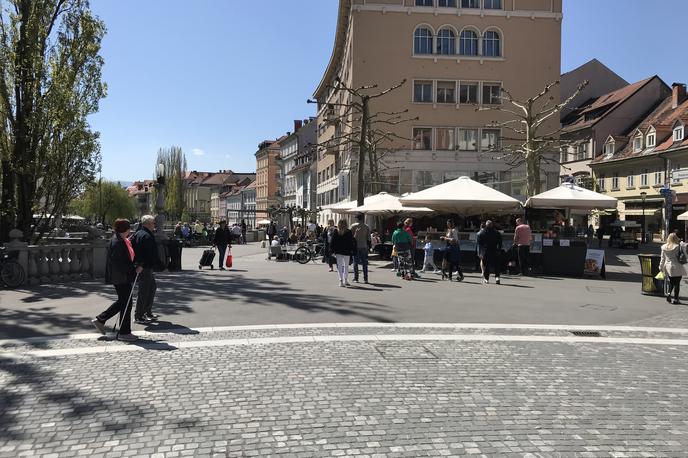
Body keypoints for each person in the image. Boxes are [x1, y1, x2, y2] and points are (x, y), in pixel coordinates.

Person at [92, 218, 142, 342]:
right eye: (129, 228)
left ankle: (100, 319)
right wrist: (134, 269)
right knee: (126, 303)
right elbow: (118, 263)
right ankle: (124, 332)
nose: (130, 230)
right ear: (125, 229)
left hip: (120, 276)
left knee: (124, 301)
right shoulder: (118, 242)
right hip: (120, 277)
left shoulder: (119, 240)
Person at [132, 214, 159, 323]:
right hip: (144, 267)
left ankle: (147, 312)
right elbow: (147, 253)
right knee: (144, 291)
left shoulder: (138, 233)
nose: (154, 225)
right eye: (153, 223)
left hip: (143, 266)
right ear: (148, 224)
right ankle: (139, 315)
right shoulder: (146, 236)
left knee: (151, 288)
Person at [660, 233, 687, 305]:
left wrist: (661, 267)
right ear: (675, 238)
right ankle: (676, 299)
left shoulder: (664, 247)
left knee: (671, 282)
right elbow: (685, 254)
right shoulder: (677, 246)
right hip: (676, 266)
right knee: (677, 283)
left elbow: (662, 258)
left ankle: (668, 294)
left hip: (668, 266)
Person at [331, 219, 355, 287]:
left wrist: (332, 251)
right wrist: (351, 250)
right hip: (346, 252)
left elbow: (333, 242)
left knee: (340, 266)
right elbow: (351, 242)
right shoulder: (348, 231)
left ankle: (341, 281)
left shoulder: (336, 231)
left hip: (338, 251)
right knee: (346, 266)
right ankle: (346, 280)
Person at [477, 220, 502, 285]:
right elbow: (500, 242)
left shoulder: (482, 232)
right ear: (492, 225)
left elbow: (480, 244)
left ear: (486, 225)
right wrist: (499, 250)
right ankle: (497, 278)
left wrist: (480, 252)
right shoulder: (496, 232)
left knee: (486, 265)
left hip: (486, 250)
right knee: (496, 265)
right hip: (495, 250)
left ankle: (486, 279)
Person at [351, 214, 371, 284]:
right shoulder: (366, 226)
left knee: (355, 263)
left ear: (357, 218)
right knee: (364, 263)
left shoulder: (353, 226)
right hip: (364, 246)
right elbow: (369, 238)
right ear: (362, 218)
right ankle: (366, 279)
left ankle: (356, 278)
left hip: (355, 246)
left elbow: (350, 237)